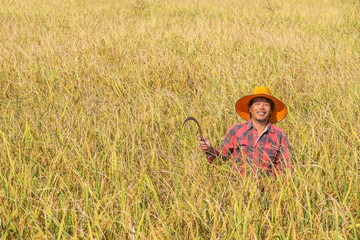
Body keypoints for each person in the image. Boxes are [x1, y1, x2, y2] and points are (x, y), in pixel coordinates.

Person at [199, 86, 291, 177]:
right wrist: (209, 150)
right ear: (250, 109)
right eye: (257, 104)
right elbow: (219, 159)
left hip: (268, 189)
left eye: (266, 104)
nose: (261, 107)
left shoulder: (279, 134)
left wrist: (278, 190)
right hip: (240, 189)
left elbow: (285, 168)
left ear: (271, 110)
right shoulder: (237, 130)